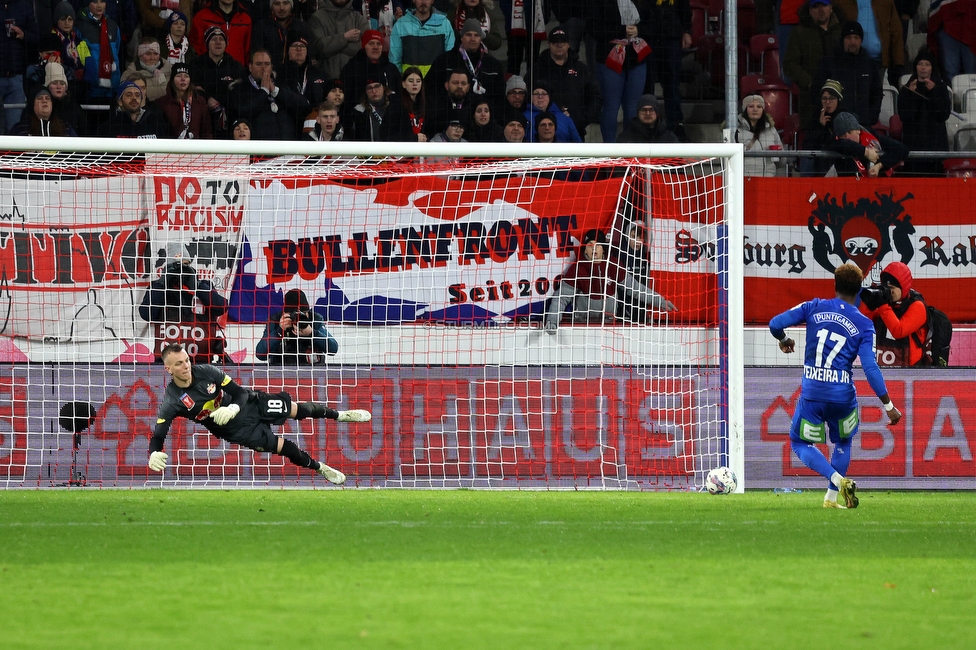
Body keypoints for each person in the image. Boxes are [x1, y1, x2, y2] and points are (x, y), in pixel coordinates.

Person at [769, 262, 902, 509]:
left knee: (799, 442)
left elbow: (775, 323)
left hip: (814, 394)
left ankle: (837, 480)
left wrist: (784, 339)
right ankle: (831, 498)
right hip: (843, 396)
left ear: (834, 285)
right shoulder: (864, 324)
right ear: (860, 289)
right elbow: (870, 367)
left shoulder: (814, 307)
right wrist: (888, 405)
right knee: (843, 443)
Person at [147, 343, 371, 484]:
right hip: (237, 430)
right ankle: (321, 468)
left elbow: (239, 393)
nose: (186, 366)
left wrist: (233, 406)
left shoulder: (206, 371)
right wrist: (154, 452)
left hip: (250, 404)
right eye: (179, 364)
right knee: (282, 447)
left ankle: (341, 415)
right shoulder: (172, 400)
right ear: (168, 369)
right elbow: (159, 432)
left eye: (186, 360)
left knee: (296, 409)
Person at [545, 229, 675, 334]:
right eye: (590, 245)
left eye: (598, 245)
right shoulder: (577, 269)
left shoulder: (613, 266)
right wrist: (552, 320)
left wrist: (660, 301)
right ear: (585, 249)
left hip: (610, 325)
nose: (594, 249)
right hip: (583, 326)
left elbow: (636, 289)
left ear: (603, 249)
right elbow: (561, 298)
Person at [139, 249, 228, 363]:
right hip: (166, 363)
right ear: (167, 267)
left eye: (185, 265)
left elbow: (221, 307)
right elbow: (146, 314)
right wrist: (163, 283)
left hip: (201, 362)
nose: (181, 270)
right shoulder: (158, 287)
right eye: (176, 266)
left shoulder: (204, 285)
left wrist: (197, 286)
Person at [591, 1, 650, 144]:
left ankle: (630, 151)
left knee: (633, 106)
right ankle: (610, 152)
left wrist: (638, 30)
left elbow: (653, 23)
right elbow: (594, 28)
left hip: (637, 59)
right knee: (611, 105)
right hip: (609, 58)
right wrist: (622, 30)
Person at [534, 26, 602, 142]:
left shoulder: (582, 69)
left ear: (568, 44)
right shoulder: (537, 69)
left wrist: (581, 119)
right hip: (543, 133)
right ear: (549, 44)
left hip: (575, 129)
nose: (559, 45)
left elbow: (595, 97)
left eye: (563, 41)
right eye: (555, 42)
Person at [784, 0, 843, 132]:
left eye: (824, 5)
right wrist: (811, 83)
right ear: (809, 11)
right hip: (810, 102)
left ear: (831, 8)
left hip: (840, 99)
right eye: (815, 6)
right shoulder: (799, 33)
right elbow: (789, 64)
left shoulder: (841, 32)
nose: (820, 10)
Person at [425, 18, 504, 115]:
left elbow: (499, 97)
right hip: (449, 116)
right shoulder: (444, 61)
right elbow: (431, 89)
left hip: (482, 119)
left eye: (476, 35)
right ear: (461, 37)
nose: (472, 39)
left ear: (481, 38)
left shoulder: (493, 65)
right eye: (468, 35)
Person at [227, 49, 310, 140]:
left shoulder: (282, 86)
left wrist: (276, 91)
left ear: (271, 67)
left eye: (267, 64)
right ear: (250, 67)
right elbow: (242, 111)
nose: (263, 68)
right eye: (259, 64)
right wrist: (264, 92)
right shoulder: (239, 89)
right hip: (259, 149)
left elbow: (303, 107)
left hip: (287, 148)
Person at [859, 261, 928, 367]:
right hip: (883, 366)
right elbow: (861, 323)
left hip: (911, 372)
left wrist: (882, 305)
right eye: (886, 288)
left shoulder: (917, 306)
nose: (889, 292)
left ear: (903, 287)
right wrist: (869, 303)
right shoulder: (886, 304)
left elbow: (899, 331)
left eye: (892, 288)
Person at [817, 21, 883, 127]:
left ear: (861, 40)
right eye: (848, 37)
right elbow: (818, 92)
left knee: (892, 144)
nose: (852, 41)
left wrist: (872, 117)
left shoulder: (869, 62)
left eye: (856, 37)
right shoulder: (829, 62)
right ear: (842, 40)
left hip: (864, 124)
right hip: (838, 125)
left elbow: (877, 92)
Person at [897, 49, 952, 177]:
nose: (923, 68)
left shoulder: (941, 88)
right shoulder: (906, 89)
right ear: (915, 66)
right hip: (913, 148)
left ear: (932, 68)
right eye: (920, 64)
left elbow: (943, 114)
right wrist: (912, 95)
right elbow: (905, 116)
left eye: (927, 64)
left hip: (935, 148)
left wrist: (933, 93)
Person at [642, 0, 691, 139]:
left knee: (672, 84)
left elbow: (684, 8)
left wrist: (687, 31)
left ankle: (675, 126)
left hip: (672, 38)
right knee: (647, 83)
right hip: (648, 38)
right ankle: (647, 126)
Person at [189, 26, 246, 139]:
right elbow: (193, 89)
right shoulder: (196, 65)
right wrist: (208, 98)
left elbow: (239, 92)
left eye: (221, 39)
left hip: (230, 121)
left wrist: (217, 98)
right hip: (202, 120)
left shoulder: (235, 66)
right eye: (214, 39)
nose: (218, 43)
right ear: (207, 43)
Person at [832, 0, 904, 87]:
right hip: (849, 60)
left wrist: (898, 62)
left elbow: (896, 31)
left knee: (875, 96)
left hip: (878, 62)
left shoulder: (886, 1)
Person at [256, 289, 339, 364]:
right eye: (294, 315)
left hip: (312, 373)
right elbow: (260, 354)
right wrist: (279, 332)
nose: (298, 319)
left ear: (308, 312)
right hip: (281, 372)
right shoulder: (275, 320)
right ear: (285, 313)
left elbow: (333, 349)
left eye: (302, 314)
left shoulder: (315, 319)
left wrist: (312, 333)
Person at [825, 110, 908, 177]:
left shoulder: (871, 135)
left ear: (858, 130)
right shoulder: (836, 143)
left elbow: (902, 149)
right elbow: (842, 144)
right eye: (843, 135)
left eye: (850, 132)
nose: (847, 137)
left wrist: (879, 165)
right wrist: (866, 152)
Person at [340, 28, 402, 109]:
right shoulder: (351, 68)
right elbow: (346, 99)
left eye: (378, 44)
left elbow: (399, 95)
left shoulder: (391, 69)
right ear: (364, 46)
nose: (375, 47)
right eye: (371, 43)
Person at [389, 0, 455, 75]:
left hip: (436, 82)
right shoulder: (401, 24)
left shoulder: (444, 24)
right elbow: (394, 60)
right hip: (408, 83)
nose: (423, 2)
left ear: (432, 1)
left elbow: (450, 58)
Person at [308, 0, 369, 81]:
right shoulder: (317, 18)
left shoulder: (358, 18)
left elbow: (365, 48)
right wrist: (345, 38)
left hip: (356, 80)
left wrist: (333, 45)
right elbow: (319, 47)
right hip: (327, 79)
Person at [0, 0, 37, 133]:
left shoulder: (24, 6)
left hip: (16, 79)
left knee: (14, 130)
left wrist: (23, 35)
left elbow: (36, 38)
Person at [76, 0, 122, 103]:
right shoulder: (80, 26)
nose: (99, 5)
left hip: (112, 89)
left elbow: (117, 49)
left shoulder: (113, 25)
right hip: (91, 91)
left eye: (102, 1)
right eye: (95, 2)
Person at [733, 94, 786, 177]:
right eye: (751, 106)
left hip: (768, 179)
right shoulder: (736, 130)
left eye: (759, 106)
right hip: (745, 179)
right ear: (745, 109)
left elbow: (782, 162)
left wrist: (779, 155)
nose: (755, 109)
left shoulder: (771, 130)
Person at [349, 73, 415, 140]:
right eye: (369, 88)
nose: (374, 91)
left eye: (377, 86)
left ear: (384, 87)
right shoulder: (359, 111)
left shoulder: (397, 106)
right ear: (365, 91)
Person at [157, 62, 214, 139]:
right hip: (171, 148)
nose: (183, 79)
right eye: (178, 76)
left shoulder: (200, 101)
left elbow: (206, 130)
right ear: (172, 80)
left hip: (195, 148)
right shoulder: (162, 103)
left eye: (186, 76)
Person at [97, 80, 173, 137]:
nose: (134, 98)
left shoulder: (156, 123)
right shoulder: (108, 127)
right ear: (120, 101)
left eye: (137, 95)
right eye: (129, 95)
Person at [251, 0, 311, 71]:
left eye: (285, 3)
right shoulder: (261, 27)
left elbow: (310, 54)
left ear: (291, 6)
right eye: (277, 4)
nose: (281, 8)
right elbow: (256, 53)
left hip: (297, 74)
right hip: (269, 74)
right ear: (271, 6)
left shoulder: (302, 27)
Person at [801, 79, 844, 176]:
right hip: (819, 164)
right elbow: (808, 146)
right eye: (824, 98)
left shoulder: (845, 117)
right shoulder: (815, 118)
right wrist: (820, 127)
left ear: (838, 99)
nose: (828, 102)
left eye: (832, 98)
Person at [189, 0, 253, 66]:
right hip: (208, 71)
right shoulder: (201, 17)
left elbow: (247, 51)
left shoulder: (246, 19)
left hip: (236, 72)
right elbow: (195, 48)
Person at [926, 0, 976, 81]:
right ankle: (951, 93)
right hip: (947, 27)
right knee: (950, 73)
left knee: (971, 75)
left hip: (971, 28)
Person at [9, 85, 78, 136]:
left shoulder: (65, 127)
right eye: (40, 98)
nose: (44, 101)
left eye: (48, 98)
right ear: (33, 104)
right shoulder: (20, 128)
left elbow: (77, 148)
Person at [400, 65, 427, 140]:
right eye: (411, 81)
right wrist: (414, 138)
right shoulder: (396, 105)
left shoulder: (425, 105)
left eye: (418, 81)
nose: (415, 84)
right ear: (403, 84)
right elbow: (388, 134)